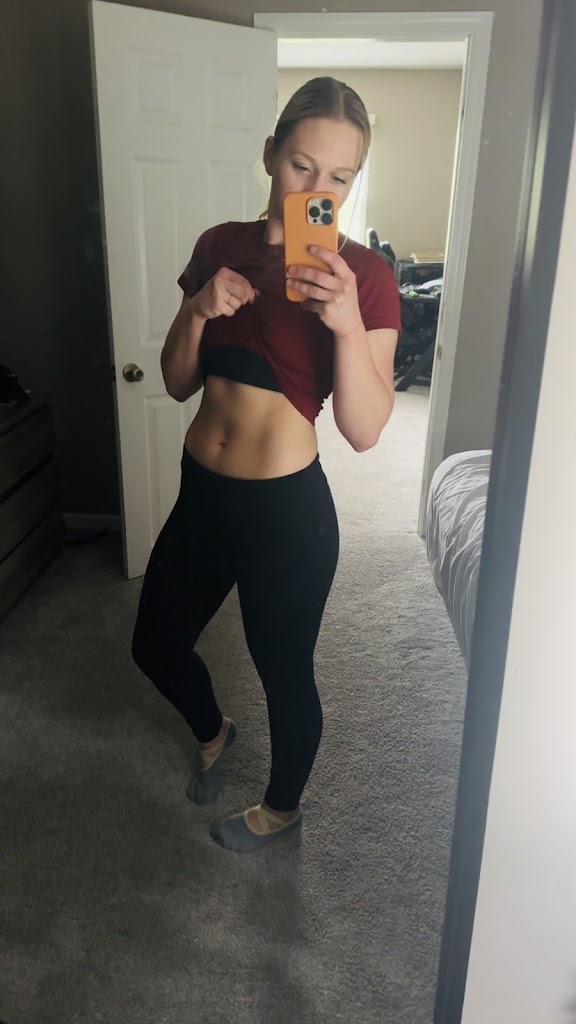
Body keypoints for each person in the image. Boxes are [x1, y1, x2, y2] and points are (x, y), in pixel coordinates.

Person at [132, 77, 401, 854]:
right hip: (202, 495)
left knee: (284, 672)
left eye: (340, 177)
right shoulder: (221, 245)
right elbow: (177, 381)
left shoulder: (366, 277)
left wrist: (345, 324)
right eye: (301, 165)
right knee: (153, 645)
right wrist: (197, 308)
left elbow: (365, 431)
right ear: (269, 155)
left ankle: (283, 810)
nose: (318, 189)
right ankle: (215, 731)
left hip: (285, 511)